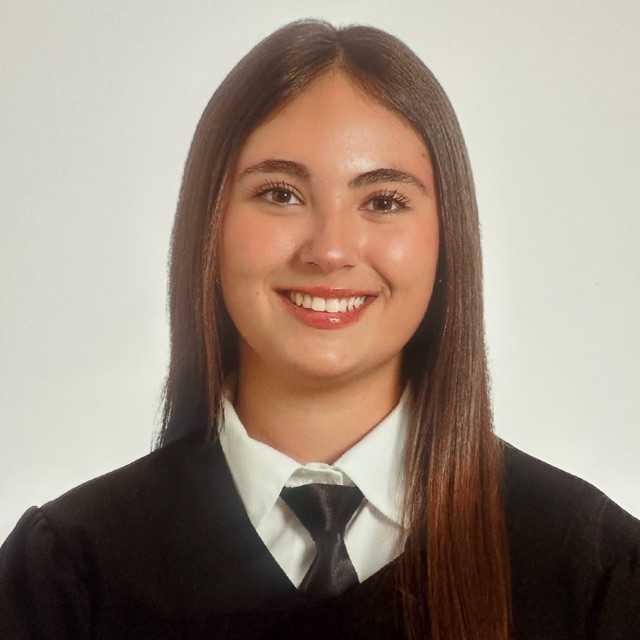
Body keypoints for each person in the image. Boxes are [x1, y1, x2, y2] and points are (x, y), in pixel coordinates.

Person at [1, 18, 638, 640]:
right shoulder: (66, 575)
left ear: (447, 239)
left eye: (383, 201)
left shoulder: (592, 573)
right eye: (281, 194)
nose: (330, 251)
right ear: (210, 223)